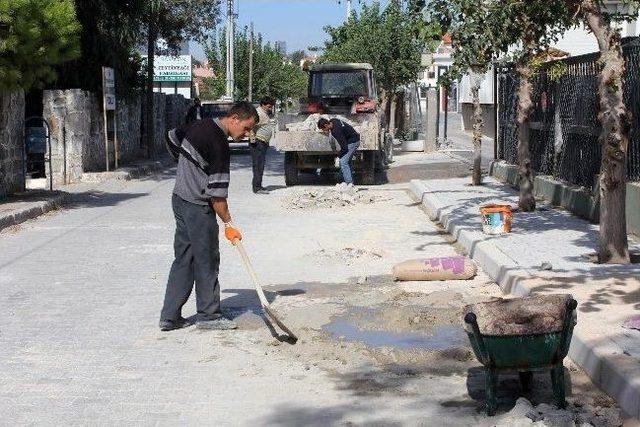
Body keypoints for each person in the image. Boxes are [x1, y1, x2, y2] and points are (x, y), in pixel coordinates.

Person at [160, 101, 259, 331]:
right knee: (206, 260)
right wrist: (228, 223)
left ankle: (170, 317)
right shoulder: (219, 144)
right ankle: (209, 316)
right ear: (234, 118)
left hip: (179, 199)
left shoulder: (198, 125)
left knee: (184, 258)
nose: (246, 134)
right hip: (197, 206)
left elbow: (171, 137)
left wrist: (186, 164)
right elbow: (217, 197)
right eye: (246, 128)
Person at [317, 117, 360, 190]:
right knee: (347, 161)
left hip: (353, 142)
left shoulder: (336, 131)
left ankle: (349, 183)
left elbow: (344, 147)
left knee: (343, 162)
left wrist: (338, 157)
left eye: (323, 129)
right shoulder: (333, 120)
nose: (323, 131)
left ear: (325, 125)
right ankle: (349, 181)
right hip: (354, 138)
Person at [250, 97, 276, 194]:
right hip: (258, 142)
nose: (270, 108)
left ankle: (258, 185)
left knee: (260, 165)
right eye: (268, 107)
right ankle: (257, 188)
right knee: (258, 165)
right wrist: (253, 139)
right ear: (263, 105)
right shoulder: (258, 113)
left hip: (262, 142)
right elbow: (251, 126)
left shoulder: (264, 113)